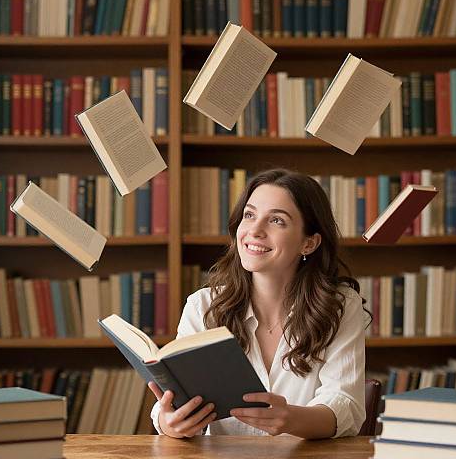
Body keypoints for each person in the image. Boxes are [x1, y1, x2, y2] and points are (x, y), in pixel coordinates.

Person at [149, 168, 369, 439]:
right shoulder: (202, 306)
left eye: (276, 220)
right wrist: (168, 420)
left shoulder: (341, 305)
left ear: (309, 243)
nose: (255, 230)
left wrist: (291, 419)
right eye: (249, 215)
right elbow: (175, 401)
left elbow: (346, 407)